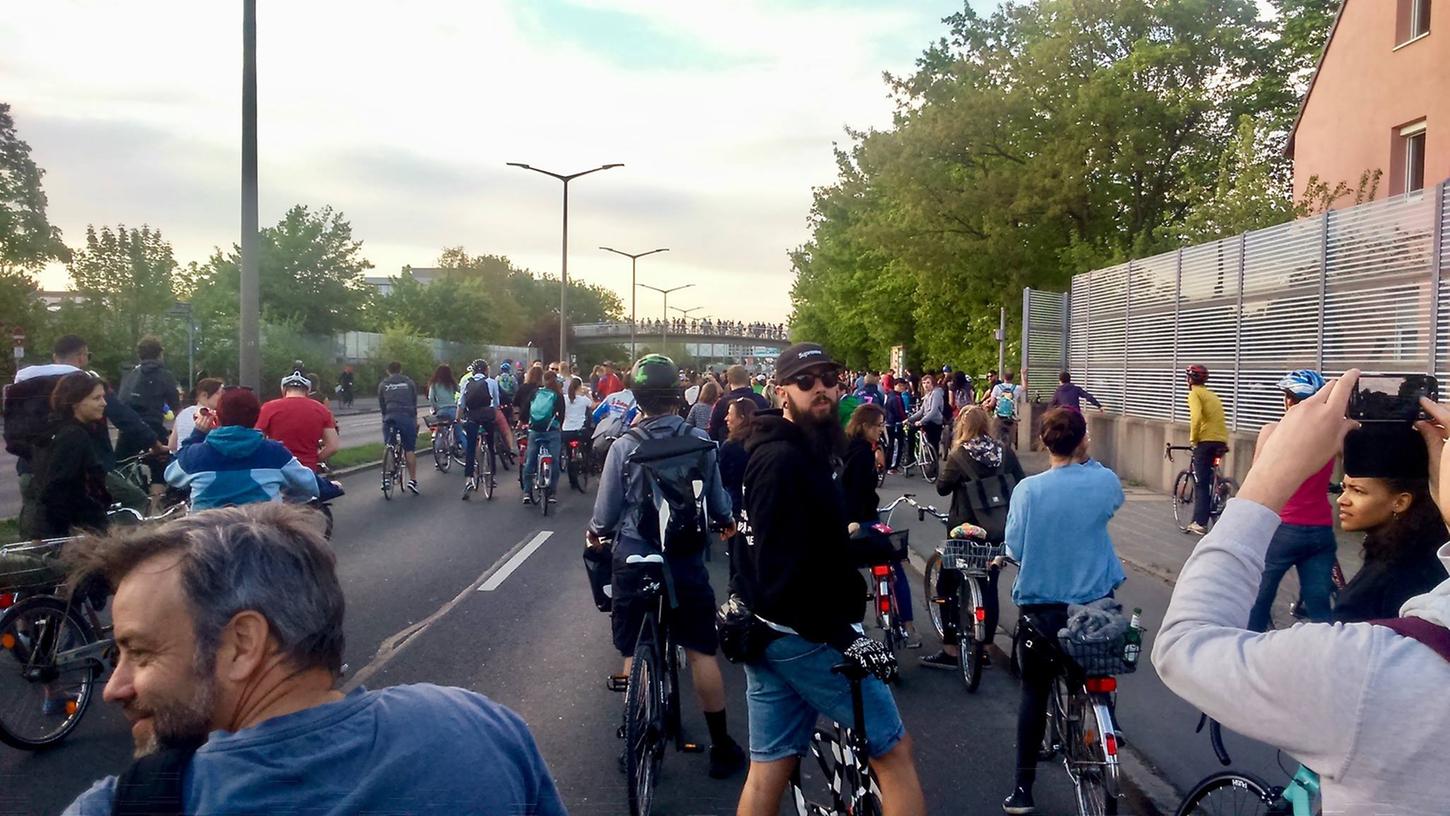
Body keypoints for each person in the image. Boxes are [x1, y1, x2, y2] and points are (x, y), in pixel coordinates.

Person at [60, 502, 566, 816]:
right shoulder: (477, 726)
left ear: (242, 645)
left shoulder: (122, 806)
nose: (114, 687)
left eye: (140, 653)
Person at [1154, 370, 1450, 814]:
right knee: (1319, 607)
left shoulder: (1371, 666)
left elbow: (1184, 644)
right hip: (1318, 538)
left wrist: (1266, 477)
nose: (1344, 499)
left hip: (1287, 534)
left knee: (1266, 605)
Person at [734, 342, 926, 816]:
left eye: (828, 377)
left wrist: (853, 543)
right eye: (805, 381)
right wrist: (843, 636)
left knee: (768, 770)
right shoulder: (784, 461)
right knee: (894, 753)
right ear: (781, 392)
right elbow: (781, 570)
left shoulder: (802, 449)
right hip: (806, 635)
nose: (820, 387)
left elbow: (769, 545)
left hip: (768, 633)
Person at [586, 354, 747, 779]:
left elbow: (605, 513)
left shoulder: (624, 446)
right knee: (700, 650)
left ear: (637, 396)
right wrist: (727, 523)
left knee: (631, 647)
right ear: (677, 394)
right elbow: (718, 505)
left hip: (636, 557)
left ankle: (634, 729)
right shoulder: (700, 442)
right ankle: (721, 746)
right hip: (683, 559)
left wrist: (597, 534)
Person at [1001, 407, 1125, 814]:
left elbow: (1015, 548)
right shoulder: (1103, 481)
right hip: (1094, 605)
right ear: (1083, 440)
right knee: (1098, 668)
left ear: (1044, 441)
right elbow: (1113, 505)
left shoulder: (1028, 491)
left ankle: (1023, 789)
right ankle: (1108, 724)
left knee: (1034, 692)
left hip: (1044, 611)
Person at [6, 334, 162, 533]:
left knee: (37, 521)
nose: (101, 402)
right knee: (135, 498)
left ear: (55, 356)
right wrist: (154, 443)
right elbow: (123, 417)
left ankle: (33, 557)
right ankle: (117, 549)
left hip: (29, 468)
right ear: (81, 356)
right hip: (80, 470)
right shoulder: (85, 384)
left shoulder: (26, 383)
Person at [921, 405, 1024, 671]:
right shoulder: (1004, 452)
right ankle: (987, 647)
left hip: (964, 531)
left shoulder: (959, 455)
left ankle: (951, 648)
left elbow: (942, 488)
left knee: (947, 585)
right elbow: (1021, 481)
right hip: (996, 531)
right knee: (989, 587)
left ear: (962, 427)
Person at [1330, 423, 1448, 623]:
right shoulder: (1430, 547)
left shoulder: (1388, 580)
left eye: (1358, 491)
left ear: (1400, 502)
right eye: (1344, 488)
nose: (1342, 500)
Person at [1247, 370, 1338, 630]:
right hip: (1321, 531)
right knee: (1320, 606)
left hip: (1282, 528)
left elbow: (1257, 481)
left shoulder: (1272, 432)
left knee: (1260, 600)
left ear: (1288, 400)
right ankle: (1326, 657)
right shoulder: (1330, 436)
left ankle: (1249, 654)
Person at [842, 402, 921, 649]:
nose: (881, 429)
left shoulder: (845, 449)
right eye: (878, 425)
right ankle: (908, 624)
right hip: (865, 521)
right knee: (895, 565)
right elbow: (862, 491)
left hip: (846, 524)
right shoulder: (863, 453)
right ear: (864, 426)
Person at [165, 387, 319, 510]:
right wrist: (331, 487)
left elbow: (171, 476)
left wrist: (196, 436)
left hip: (208, 538)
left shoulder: (195, 456)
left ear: (218, 417)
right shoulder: (274, 453)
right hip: (263, 535)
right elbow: (308, 482)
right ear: (256, 417)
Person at [31, 372, 112, 537]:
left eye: (103, 397)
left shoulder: (53, 428)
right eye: (96, 398)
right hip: (79, 528)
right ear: (76, 402)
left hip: (62, 525)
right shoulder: (74, 436)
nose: (104, 403)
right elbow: (59, 486)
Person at [116, 336, 184, 473]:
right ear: (160, 354)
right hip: (152, 428)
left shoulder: (130, 374)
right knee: (162, 469)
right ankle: (157, 491)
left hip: (128, 428)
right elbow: (176, 407)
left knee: (120, 467)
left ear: (139, 355)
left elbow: (121, 401)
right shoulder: (165, 375)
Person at [256, 371, 341, 473]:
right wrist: (315, 459)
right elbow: (333, 446)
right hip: (307, 470)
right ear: (307, 391)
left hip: (278, 469)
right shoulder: (321, 410)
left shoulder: (268, 408)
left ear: (283, 389)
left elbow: (256, 440)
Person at [1185, 364, 1229, 535]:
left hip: (1206, 441)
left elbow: (1196, 418)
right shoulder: (1212, 395)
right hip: (1220, 441)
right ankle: (1220, 486)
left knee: (1201, 483)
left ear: (1189, 379)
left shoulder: (1195, 393)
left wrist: (1193, 439)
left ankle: (1200, 523)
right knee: (1210, 472)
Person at [457, 360, 504, 490]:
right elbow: (496, 403)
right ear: (485, 370)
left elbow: (461, 403)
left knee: (471, 447)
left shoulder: (466, 382)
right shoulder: (492, 382)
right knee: (490, 445)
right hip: (487, 417)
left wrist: (458, 418)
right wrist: (493, 417)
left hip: (472, 417)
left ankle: (468, 479)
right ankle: (492, 477)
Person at [521, 370, 565, 504]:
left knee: (530, 461)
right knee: (555, 460)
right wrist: (559, 426)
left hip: (535, 430)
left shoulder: (535, 392)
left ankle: (527, 492)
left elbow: (525, 410)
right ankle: (552, 493)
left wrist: (523, 422)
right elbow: (561, 415)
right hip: (551, 431)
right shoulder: (558, 395)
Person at [378, 361, 421, 494]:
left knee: (388, 445)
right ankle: (412, 480)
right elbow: (414, 402)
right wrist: (415, 420)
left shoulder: (383, 384)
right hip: (407, 416)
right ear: (401, 370)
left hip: (390, 416)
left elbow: (382, 404)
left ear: (388, 371)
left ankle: (386, 478)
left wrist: (385, 418)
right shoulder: (409, 383)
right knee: (409, 449)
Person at [718, 398, 757, 520]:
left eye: (730, 414)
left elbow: (722, 479)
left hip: (736, 507)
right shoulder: (761, 441)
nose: (726, 418)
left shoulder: (730, 446)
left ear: (741, 418)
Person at [709, 365, 770, 443]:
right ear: (747, 378)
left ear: (728, 380)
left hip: (728, 448)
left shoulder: (722, 403)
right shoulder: (760, 400)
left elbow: (713, 431)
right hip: (756, 448)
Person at [169, 379, 224, 452]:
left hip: (180, 459)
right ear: (204, 395)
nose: (223, 397)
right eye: (219, 393)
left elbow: (172, 446)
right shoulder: (212, 415)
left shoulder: (182, 413)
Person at [905, 372, 946, 472]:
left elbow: (933, 411)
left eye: (928, 383)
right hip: (927, 420)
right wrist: (909, 419)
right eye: (924, 383)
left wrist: (921, 421)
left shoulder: (936, 393)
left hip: (935, 421)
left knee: (934, 443)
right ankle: (911, 457)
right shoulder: (928, 395)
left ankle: (934, 468)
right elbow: (922, 411)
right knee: (911, 430)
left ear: (933, 383)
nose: (926, 385)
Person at [561, 375, 593, 493]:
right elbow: (593, 406)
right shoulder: (583, 399)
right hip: (580, 431)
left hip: (566, 432)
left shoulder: (564, 398)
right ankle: (586, 461)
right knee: (588, 445)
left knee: (570, 456)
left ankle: (572, 482)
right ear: (580, 387)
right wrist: (588, 394)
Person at [988, 370, 1021, 450]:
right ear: (1013, 378)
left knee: (996, 434)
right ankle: (1010, 447)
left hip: (998, 416)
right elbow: (1025, 387)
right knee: (1010, 433)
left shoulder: (997, 387)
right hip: (1011, 416)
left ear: (1003, 377)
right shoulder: (1016, 388)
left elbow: (992, 403)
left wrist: (987, 406)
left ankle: (998, 450)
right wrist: (1023, 374)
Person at [883, 380, 908, 473]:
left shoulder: (890, 395)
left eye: (903, 386)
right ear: (895, 386)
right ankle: (892, 467)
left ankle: (888, 465)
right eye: (900, 385)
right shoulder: (897, 397)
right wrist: (905, 419)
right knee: (897, 445)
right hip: (895, 423)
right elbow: (900, 412)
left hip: (889, 422)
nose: (902, 387)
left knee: (890, 444)